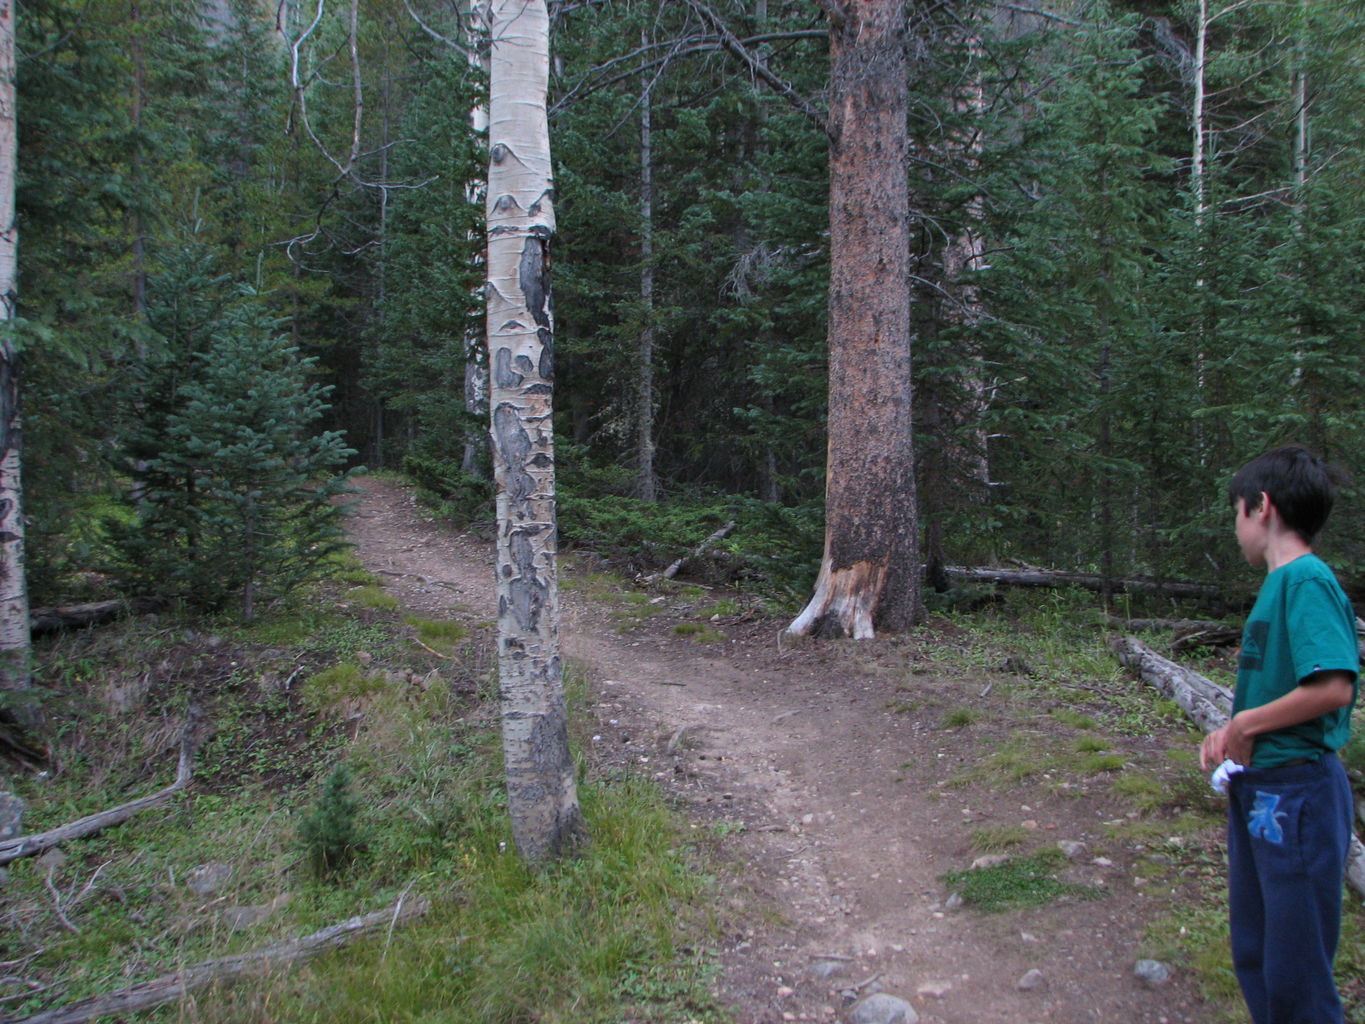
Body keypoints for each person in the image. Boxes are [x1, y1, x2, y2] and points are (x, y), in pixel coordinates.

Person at [1200, 444, 1358, 1024]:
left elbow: (1333, 686)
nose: (1234, 524)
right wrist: (1231, 734)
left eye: (1235, 510)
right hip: (1264, 787)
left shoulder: (1307, 580)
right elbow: (1280, 694)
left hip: (1299, 797)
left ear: (1260, 506)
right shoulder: (1278, 586)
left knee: (1296, 968)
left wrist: (1245, 724)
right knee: (1258, 951)